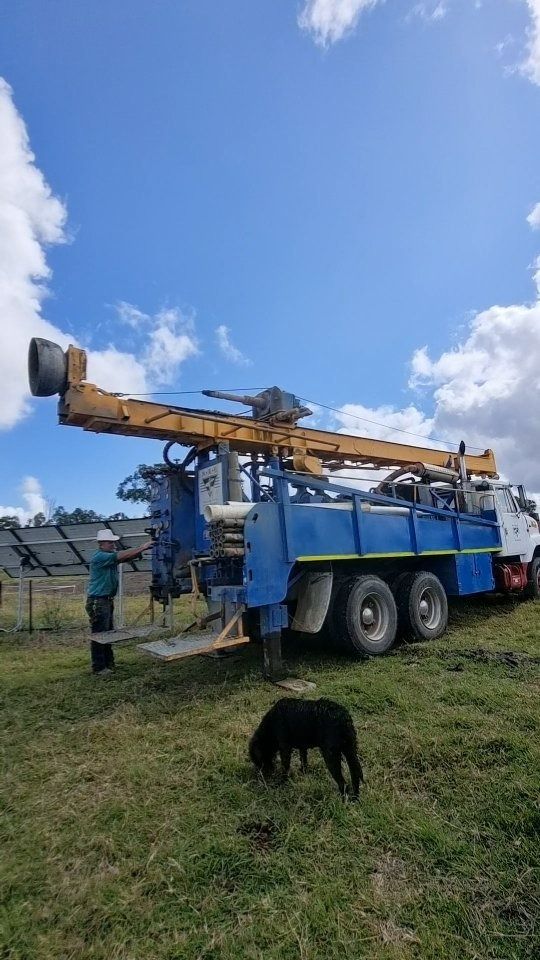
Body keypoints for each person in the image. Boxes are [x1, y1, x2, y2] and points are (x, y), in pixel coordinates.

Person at [86, 530, 154, 676]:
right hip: (98, 601)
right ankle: (98, 667)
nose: (113, 544)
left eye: (113, 542)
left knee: (108, 633)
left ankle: (108, 663)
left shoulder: (108, 557)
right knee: (99, 634)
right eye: (110, 542)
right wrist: (143, 547)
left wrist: (140, 551)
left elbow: (124, 558)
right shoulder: (100, 557)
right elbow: (122, 555)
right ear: (101, 544)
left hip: (105, 600)